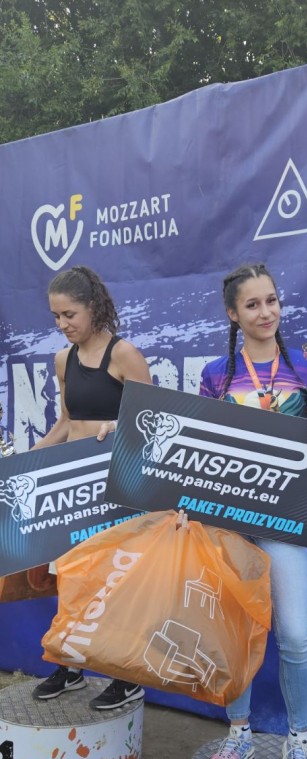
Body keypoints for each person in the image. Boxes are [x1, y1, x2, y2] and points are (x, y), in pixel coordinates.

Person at [198, 263, 307, 759]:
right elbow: (204, 446)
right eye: (253, 304)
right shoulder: (216, 374)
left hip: (282, 522)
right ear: (233, 314)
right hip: (231, 523)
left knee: (295, 634)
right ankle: (239, 732)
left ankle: (298, 740)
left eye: (272, 300)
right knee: (236, 634)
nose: (266, 312)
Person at [32, 265, 152, 709]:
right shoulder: (62, 360)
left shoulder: (125, 355)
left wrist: (118, 427)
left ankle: (126, 676)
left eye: (70, 314)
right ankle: (70, 666)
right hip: (74, 488)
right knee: (72, 579)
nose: (62, 324)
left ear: (93, 307)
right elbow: (66, 423)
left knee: (115, 582)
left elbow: (152, 422)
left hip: (119, 488)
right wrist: (27, 460)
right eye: (56, 316)